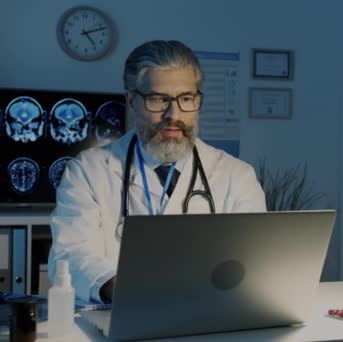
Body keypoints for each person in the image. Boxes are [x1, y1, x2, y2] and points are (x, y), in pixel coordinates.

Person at [48, 40, 266, 303]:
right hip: (120, 316)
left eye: (186, 98)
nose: (173, 114)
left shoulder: (236, 175)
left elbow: (252, 261)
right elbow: (70, 254)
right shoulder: (89, 171)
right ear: (131, 100)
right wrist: (129, 292)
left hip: (208, 318)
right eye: (158, 99)